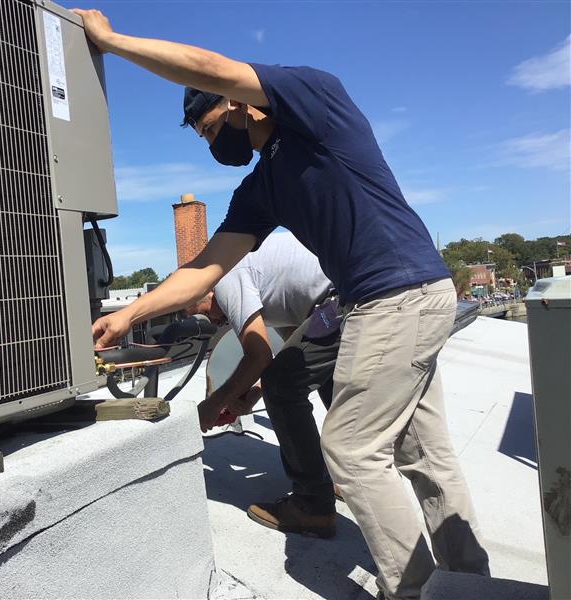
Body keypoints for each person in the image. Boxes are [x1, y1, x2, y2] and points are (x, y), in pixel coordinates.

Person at [72, 8, 489, 599]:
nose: (212, 142)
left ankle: (417, 591)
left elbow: (212, 67)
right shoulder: (261, 186)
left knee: (349, 452)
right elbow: (202, 272)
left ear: (238, 103)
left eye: (210, 126)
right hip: (400, 299)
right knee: (423, 451)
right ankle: (472, 584)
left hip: (393, 294)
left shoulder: (316, 101)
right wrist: (128, 314)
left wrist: (111, 43)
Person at [188, 231, 341, 538]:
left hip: (344, 299)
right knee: (327, 387)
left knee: (282, 386)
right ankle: (347, 479)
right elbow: (293, 352)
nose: (215, 323)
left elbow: (258, 357)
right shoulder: (273, 293)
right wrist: (255, 392)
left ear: (206, 291)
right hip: (348, 296)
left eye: (205, 314)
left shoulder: (225, 277)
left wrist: (212, 404)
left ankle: (313, 505)